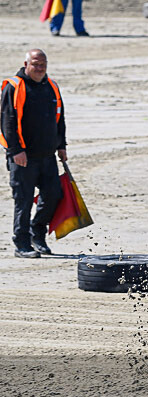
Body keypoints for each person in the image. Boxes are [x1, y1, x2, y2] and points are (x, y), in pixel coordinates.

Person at [1, 49, 66, 258]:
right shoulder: (14, 87)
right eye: (35, 64)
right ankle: (21, 243)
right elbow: (7, 121)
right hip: (22, 157)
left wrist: (61, 145)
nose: (39, 69)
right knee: (24, 200)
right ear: (26, 64)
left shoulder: (51, 86)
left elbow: (59, 117)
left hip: (47, 155)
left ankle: (37, 234)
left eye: (43, 65)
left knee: (54, 194)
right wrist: (16, 151)